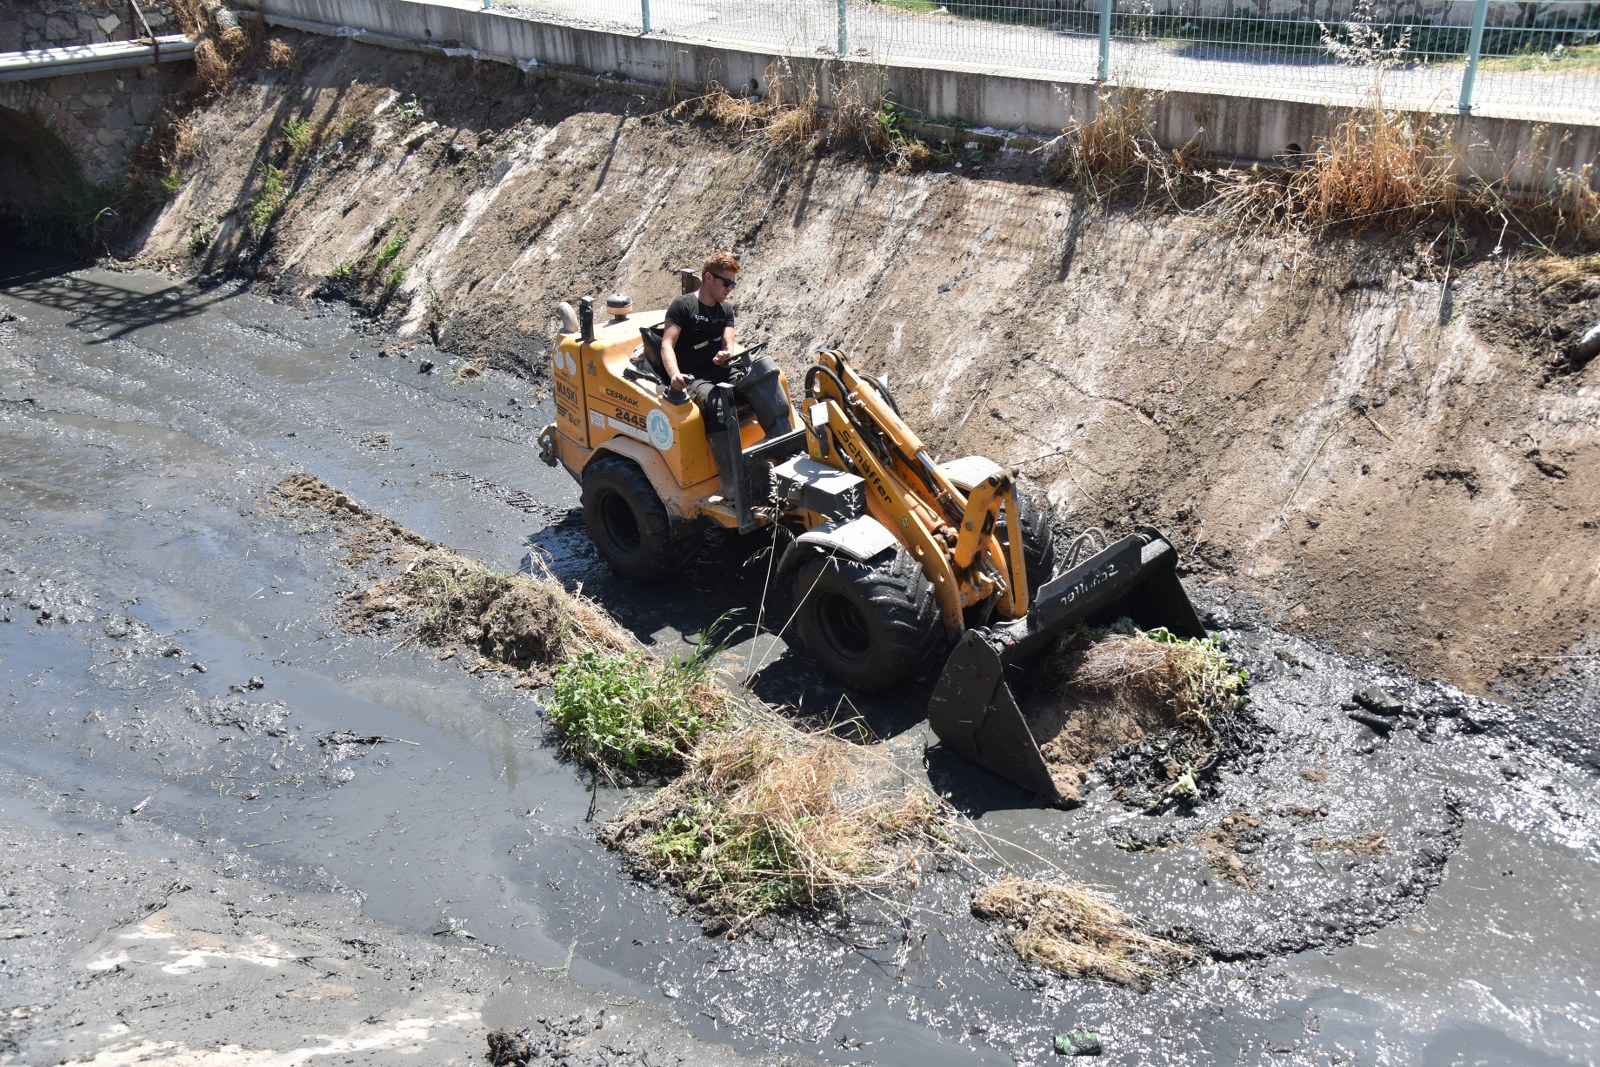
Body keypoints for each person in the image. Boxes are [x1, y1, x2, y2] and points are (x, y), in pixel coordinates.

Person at [660, 252, 740, 392]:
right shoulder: (682, 305)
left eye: (732, 284)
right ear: (709, 277)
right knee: (717, 402)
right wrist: (674, 374)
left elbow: (729, 345)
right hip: (694, 378)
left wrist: (725, 354)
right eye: (726, 283)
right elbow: (667, 345)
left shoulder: (726, 310)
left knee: (759, 380)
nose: (729, 289)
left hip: (722, 372)